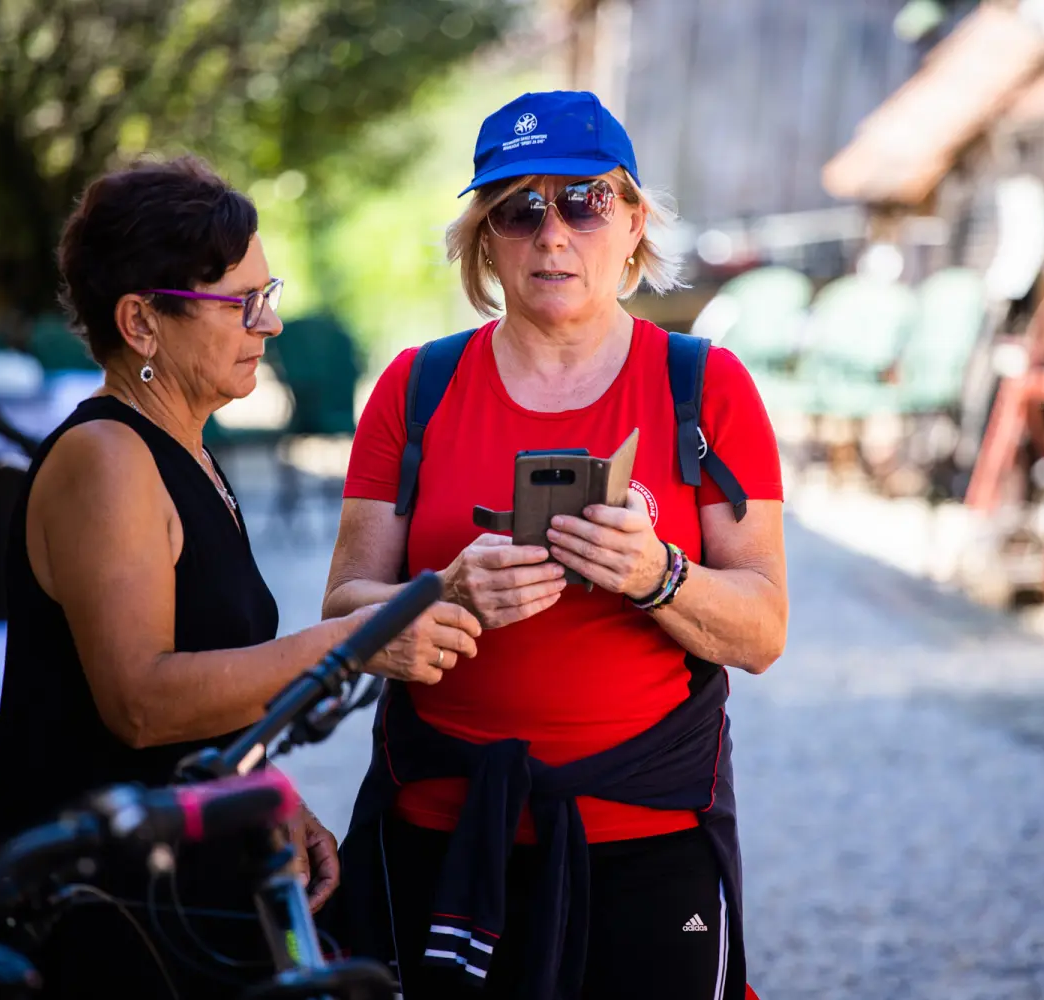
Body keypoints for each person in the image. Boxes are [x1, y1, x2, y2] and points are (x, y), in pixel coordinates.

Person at [321, 92, 789, 1000]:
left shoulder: (706, 387)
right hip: (446, 833)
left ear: (634, 220)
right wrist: (444, 597)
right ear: (484, 238)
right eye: (518, 208)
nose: (552, 233)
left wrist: (658, 576)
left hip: (651, 836)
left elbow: (763, 630)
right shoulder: (415, 388)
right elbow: (340, 616)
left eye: (583, 201)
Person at [0, 156, 444, 1000]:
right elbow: (142, 701)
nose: (267, 325)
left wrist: (260, 789)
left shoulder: (185, 448)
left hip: (173, 883)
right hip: (104, 909)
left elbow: (206, 671)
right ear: (141, 322)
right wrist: (352, 643)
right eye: (241, 304)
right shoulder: (107, 459)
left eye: (270, 296)